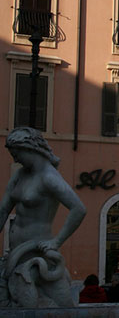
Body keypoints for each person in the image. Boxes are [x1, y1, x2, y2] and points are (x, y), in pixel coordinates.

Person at [0, 127, 87, 307]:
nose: (14, 159)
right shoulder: (19, 175)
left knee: (63, 307)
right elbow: (3, 210)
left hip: (40, 254)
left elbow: (79, 208)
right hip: (16, 254)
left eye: (16, 154)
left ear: (29, 149)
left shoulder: (49, 178)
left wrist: (56, 242)